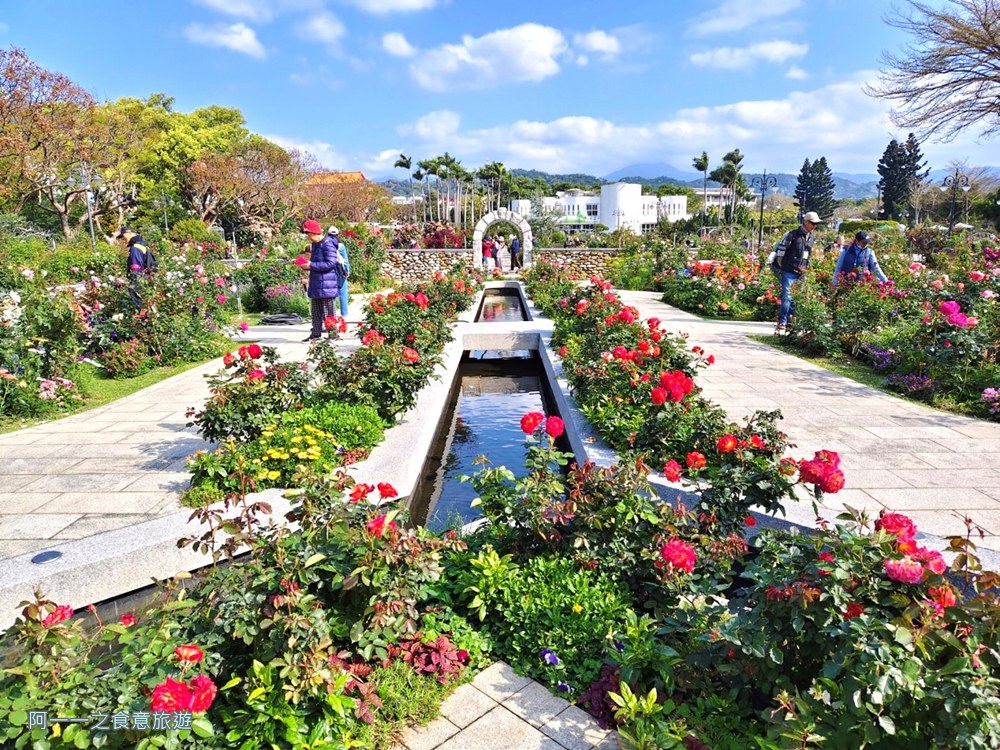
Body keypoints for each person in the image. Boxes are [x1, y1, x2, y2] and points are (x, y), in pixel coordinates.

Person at [776, 211, 821, 334]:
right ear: (806, 222)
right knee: (787, 297)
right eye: (813, 223)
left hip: (801, 273)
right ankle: (782, 322)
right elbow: (781, 252)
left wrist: (807, 269)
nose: (814, 226)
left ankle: (792, 322)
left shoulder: (811, 238)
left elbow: (808, 256)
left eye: (816, 224)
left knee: (797, 299)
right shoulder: (792, 235)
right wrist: (783, 266)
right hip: (789, 271)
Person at [299, 219, 342, 342]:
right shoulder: (315, 245)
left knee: (329, 312)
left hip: (327, 284)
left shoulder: (327, 244)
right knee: (316, 311)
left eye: (309, 233)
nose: (308, 236)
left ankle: (333, 335)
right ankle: (316, 334)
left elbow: (331, 263)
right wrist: (305, 264)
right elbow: (317, 263)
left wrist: (311, 265)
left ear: (314, 232)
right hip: (317, 283)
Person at [118, 226, 156, 309]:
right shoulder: (143, 245)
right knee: (149, 304)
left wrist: (134, 283)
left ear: (129, 233)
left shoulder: (135, 248)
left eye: (123, 235)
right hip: (148, 279)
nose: (123, 239)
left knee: (142, 306)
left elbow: (136, 267)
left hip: (140, 281)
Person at [328, 226, 350, 316]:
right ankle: (344, 314)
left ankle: (331, 314)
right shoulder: (341, 246)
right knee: (343, 292)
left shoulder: (326, 244)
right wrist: (347, 270)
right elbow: (345, 259)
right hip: (340, 271)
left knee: (331, 294)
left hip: (329, 270)